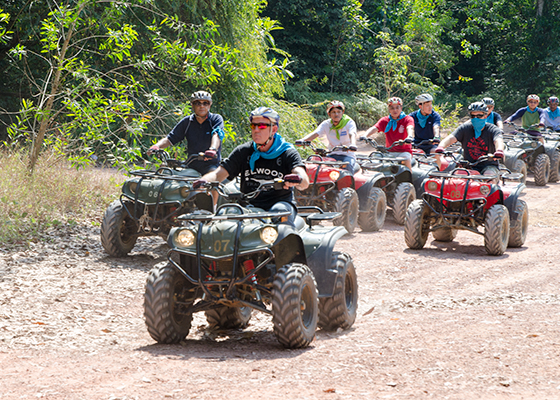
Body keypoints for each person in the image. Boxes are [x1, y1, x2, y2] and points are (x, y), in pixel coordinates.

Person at [194, 107, 309, 226]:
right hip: (248, 205)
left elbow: (303, 179)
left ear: (274, 129)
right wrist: (203, 181)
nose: (256, 130)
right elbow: (219, 173)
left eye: (262, 126)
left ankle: (285, 245)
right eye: (253, 126)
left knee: (279, 215)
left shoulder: (287, 152)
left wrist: (297, 179)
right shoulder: (243, 151)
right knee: (224, 216)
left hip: (279, 204)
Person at [147, 91, 225, 175]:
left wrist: (212, 149)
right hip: (191, 165)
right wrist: (157, 146)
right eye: (198, 103)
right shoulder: (187, 122)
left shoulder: (215, 119)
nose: (202, 106)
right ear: (192, 105)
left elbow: (216, 134)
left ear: (209, 105)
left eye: (205, 103)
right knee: (169, 176)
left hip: (211, 165)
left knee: (213, 181)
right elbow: (170, 138)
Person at [435, 101, 504, 176]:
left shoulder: (492, 129)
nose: (475, 119)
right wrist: (441, 147)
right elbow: (451, 138)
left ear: (485, 116)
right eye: (472, 116)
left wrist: (499, 151)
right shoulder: (465, 128)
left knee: (488, 176)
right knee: (456, 178)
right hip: (468, 165)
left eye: (479, 116)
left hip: (489, 165)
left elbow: (498, 140)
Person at [298, 100, 358, 173]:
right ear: (329, 114)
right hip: (331, 154)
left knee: (347, 168)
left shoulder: (349, 122)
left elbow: (352, 134)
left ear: (343, 112)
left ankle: (348, 184)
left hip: (347, 155)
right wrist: (303, 140)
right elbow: (316, 133)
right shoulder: (326, 124)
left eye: (339, 112)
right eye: (333, 112)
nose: (336, 114)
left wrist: (353, 144)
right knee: (315, 165)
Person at [362, 97, 414, 169]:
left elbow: (410, 128)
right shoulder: (385, 120)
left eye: (397, 107)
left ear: (401, 108)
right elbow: (375, 128)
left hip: (404, 152)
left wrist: (410, 136)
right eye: (392, 108)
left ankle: (409, 178)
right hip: (388, 151)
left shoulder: (407, 119)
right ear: (389, 109)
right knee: (374, 160)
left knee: (406, 160)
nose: (395, 110)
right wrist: (365, 135)